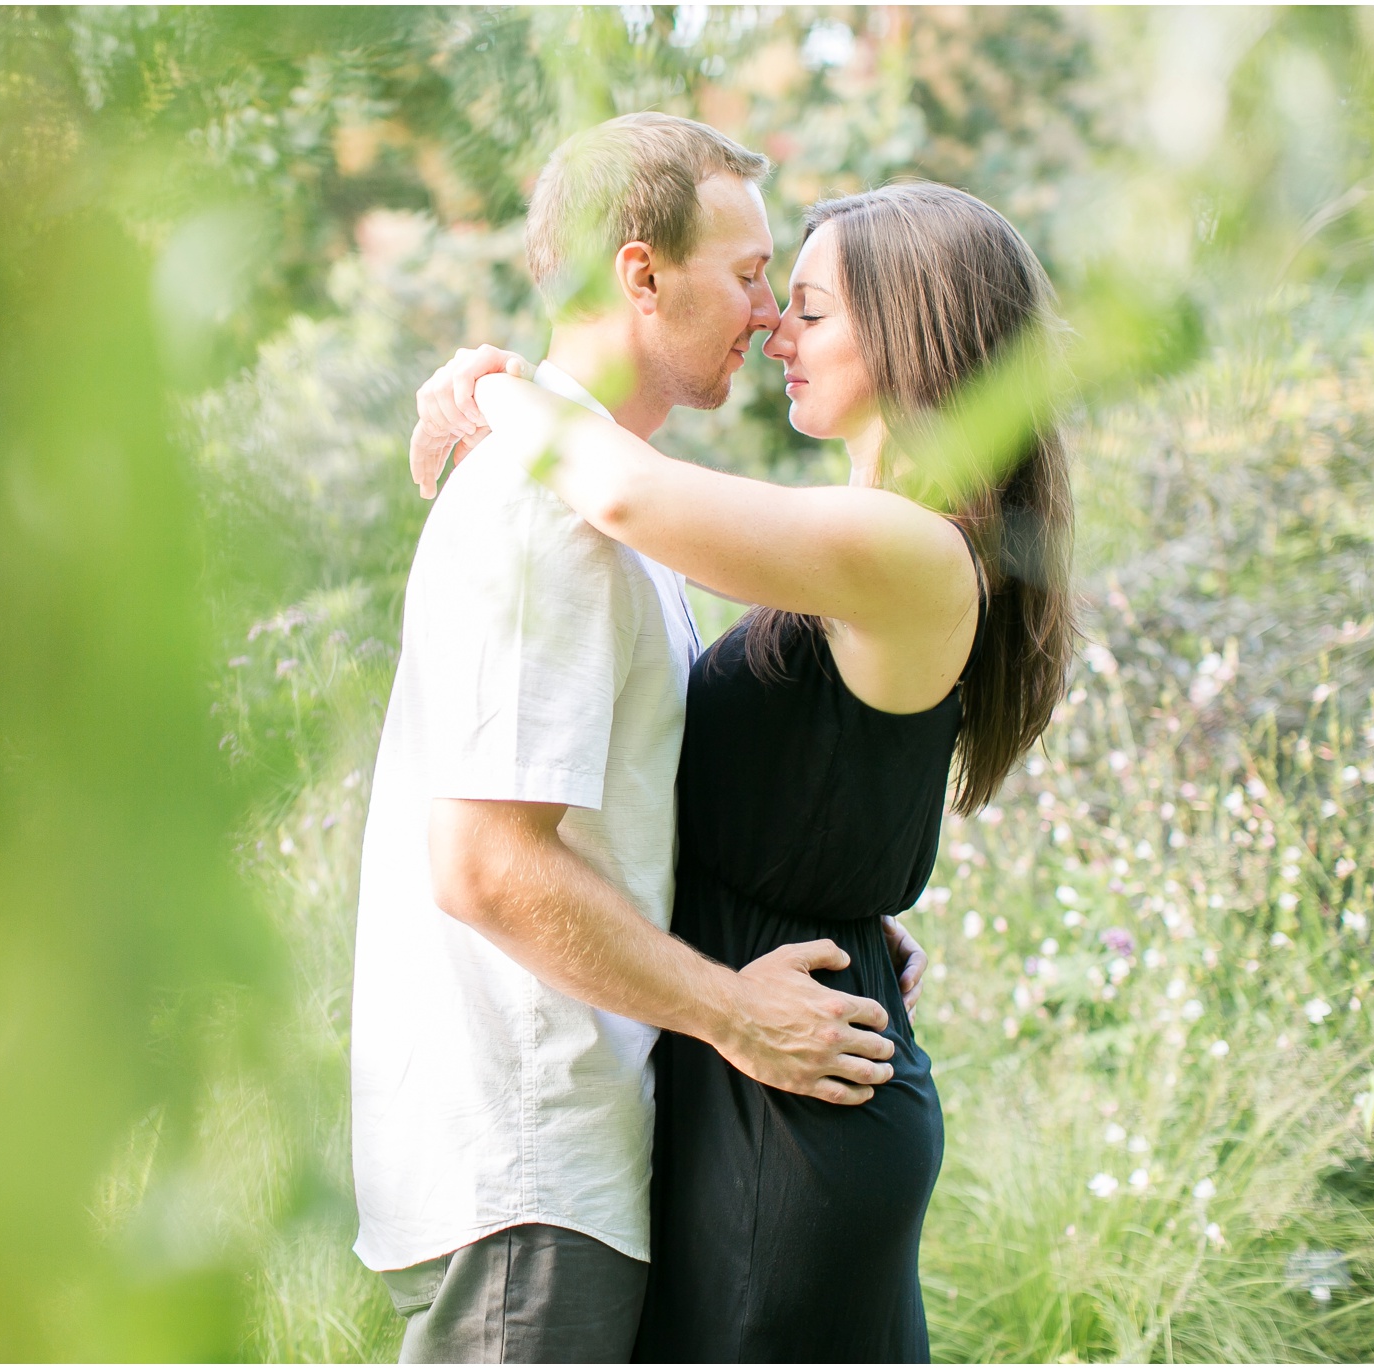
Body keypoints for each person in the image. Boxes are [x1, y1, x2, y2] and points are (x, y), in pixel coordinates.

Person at [409, 179, 1075, 1361]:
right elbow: (816, 770)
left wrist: (497, 387)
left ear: (909, 327)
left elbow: (622, 491)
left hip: (789, 1109)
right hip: (762, 1073)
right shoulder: (875, 538)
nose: (775, 328)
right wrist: (840, 895)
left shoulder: (908, 547)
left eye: (808, 307)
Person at [349, 114, 931, 1364]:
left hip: (575, 1153)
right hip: (525, 1162)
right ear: (638, 273)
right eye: (748, 275)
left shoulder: (600, 504)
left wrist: (815, 908)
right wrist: (733, 1010)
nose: (769, 314)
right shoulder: (538, 513)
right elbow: (485, 864)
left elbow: (623, 808)